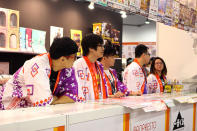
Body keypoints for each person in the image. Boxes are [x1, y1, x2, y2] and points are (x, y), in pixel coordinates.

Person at [0, 37, 78, 110]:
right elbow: (43, 102)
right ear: (63, 59)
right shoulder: (37, 66)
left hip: (33, 111)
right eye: (74, 57)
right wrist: (56, 99)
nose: (76, 59)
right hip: (9, 108)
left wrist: (53, 100)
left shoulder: (68, 69)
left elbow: (72, 96)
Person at [73, 34, 107, 101]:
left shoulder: (99, 65)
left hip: (99, 105)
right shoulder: (78, 65)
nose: (103, 49)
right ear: (91, 48)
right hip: (85, 107)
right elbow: (78, 90)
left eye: (103, 46)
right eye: (100, 46)